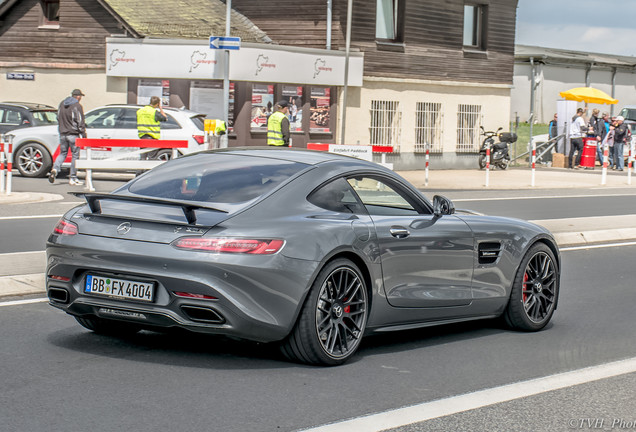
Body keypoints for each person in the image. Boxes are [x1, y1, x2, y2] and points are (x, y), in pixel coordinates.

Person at [48, 89, 86, 186]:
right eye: (80, 96)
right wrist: (83, 134)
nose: (81, 98)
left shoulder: (62, 104)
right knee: (75, 155)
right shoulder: (77, 106)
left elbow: (58, 117)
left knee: (63, 153)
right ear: (77, 96)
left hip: (62, 134)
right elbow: (80, 121)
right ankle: (73, 177)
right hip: (73, 134)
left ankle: (55, 169)